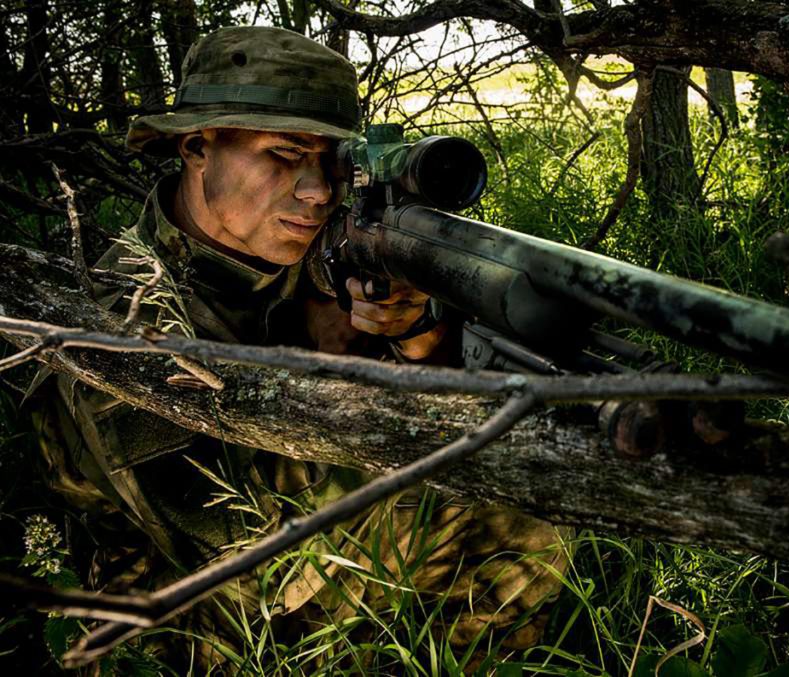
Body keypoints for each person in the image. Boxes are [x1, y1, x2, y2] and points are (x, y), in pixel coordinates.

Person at [33, 25, 568, 668]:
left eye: (332, 163)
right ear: (197, 146)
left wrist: (417, 334)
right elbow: (234, 541)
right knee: (512, 508)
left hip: (320, 551)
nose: (316, 193)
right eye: (284, 155)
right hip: (193, 616)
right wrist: (347, 375)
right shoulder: (119, 314)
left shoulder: (317, 252)